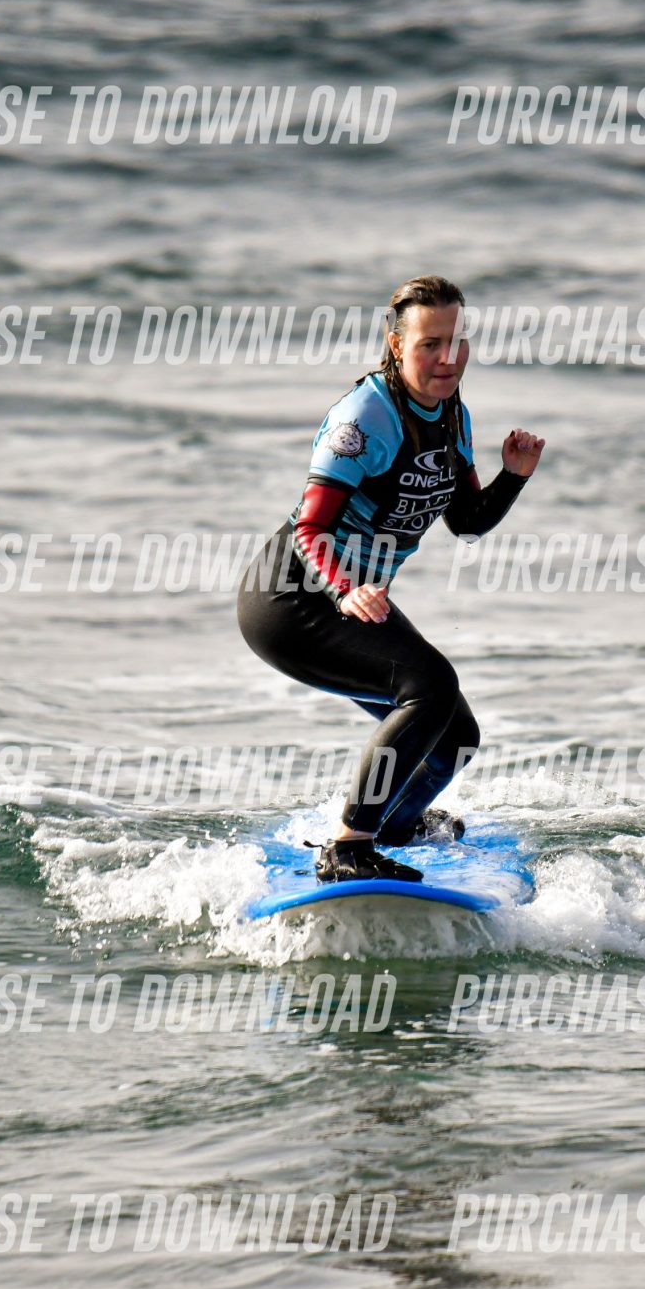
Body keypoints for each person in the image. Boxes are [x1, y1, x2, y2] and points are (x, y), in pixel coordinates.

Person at [237, 275, 544, 882]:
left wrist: (514, 476)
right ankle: (349, 846)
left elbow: (466, 521)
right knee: (429, 685)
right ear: (397, 344)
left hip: (355, 597)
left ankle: (397, 824)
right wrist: (344, 589)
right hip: (292, 600)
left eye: (456, 341)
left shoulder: (452, 416)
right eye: (430, 344)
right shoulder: (364, 417)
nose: (448, 358)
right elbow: (311, 528)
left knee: (455, 735)